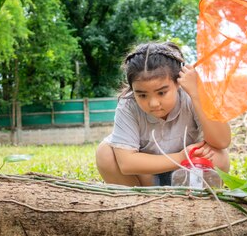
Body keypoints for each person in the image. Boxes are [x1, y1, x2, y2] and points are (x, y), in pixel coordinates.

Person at [96, 41, 231, 186]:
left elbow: (222, 141)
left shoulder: (191, 96)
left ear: (178, 83)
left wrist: (198, 95)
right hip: (145, 176)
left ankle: (190, 199)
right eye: (142, 95)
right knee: (105, 153)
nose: (153, 103)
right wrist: (179, 157)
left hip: (188, 169)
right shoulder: (128, 105)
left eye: (162, 92)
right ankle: (143, 201)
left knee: (218, 156)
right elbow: (126, 163)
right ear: (132, 90)